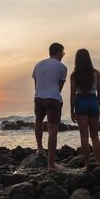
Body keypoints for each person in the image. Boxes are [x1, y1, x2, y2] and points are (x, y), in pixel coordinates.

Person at [32, 42, 67, 170]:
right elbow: (59, 88)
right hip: (53, 98)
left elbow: (36, 84)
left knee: (38, 121)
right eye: (63, 52)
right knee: (53, 130)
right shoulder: (62, 68)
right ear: (58, 52)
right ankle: (51, 164)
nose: (63, 55)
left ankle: (39, 148)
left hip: (39, 97)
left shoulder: (38, 65)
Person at [70, 49, 100, 171]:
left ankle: (87, 164)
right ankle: (98, 161)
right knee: (95, 135)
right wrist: (96, 105)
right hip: (93, 101)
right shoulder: (96, 73)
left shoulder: (74, 75)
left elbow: (73, 94)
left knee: (84, 136)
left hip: (81, 102)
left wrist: (72, 109)